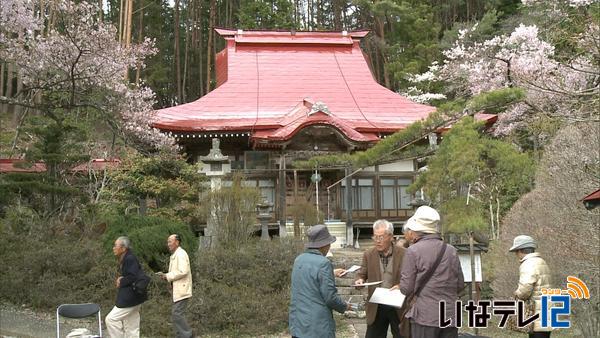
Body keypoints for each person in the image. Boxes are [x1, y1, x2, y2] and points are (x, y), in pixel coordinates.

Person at [400, 206, 464, 338]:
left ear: (416, 230)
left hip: (425, 316)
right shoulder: (451, 250)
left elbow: (406, 288)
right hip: (450, 315)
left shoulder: (413, 251)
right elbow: (460, 285)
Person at [289, 224, 351, 338]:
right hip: (317, 327)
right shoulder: (324, 263)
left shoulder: (299, 260)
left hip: (298, 324)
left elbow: (308, 279)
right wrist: (345, 306)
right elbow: (330, 298)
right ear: (325, 245)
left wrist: (332, 273)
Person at [354, 219, 407, 338]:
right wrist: (359, 280)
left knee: (401, 335)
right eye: (375, 237)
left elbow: (411, 277)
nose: (377, 241)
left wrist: (401, 286)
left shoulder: (404, 253)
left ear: (390, 237)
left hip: (397, 304)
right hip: (377, 305)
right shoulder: (369, 254)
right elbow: (362, 273)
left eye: (381, 237)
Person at [509, 235, 552, 338]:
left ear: (520, 250)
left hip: (536, 314)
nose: (516, 254)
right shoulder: (541, 261)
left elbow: (524, 291)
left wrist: (516, 294)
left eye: (516, 251)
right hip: (546, 312)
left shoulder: (528, 264)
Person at [106, 236, 146, 337]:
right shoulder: (127, 257)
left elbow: (133, 276)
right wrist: (122, 278)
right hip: (136, 298)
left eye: (115, 246)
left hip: (130, 298)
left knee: (111, 319)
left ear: (123, 248)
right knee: (131, 328)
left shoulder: (130, 258)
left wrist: (121, 280)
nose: (113, 248)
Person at [159, 234, 193, 338]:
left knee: (177, 314)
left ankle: (188, 335)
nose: (168, 244)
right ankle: (181, 335)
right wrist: (165, 276)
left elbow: (183, 271)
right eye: (168, 242)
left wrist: (167, 276)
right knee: (176, 314)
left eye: (170, 241)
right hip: (178, 290)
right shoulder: (176, 254)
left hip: (182, 289)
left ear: (177, 242)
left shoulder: (181, 254)